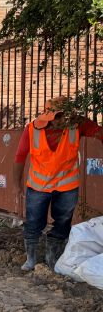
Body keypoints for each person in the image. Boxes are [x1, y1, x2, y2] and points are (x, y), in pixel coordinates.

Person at [13, 96, 103, 271]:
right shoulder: (32, 130)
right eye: (55, 118)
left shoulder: (77, 125)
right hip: (38, 187)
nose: (58, 121)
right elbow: (19, 157)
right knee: (33, 223)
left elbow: (99, 133)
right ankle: (30, 259)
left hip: (66, 188)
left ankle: (52, 259)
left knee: (62, 223)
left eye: (61, 117)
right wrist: (17, 185)